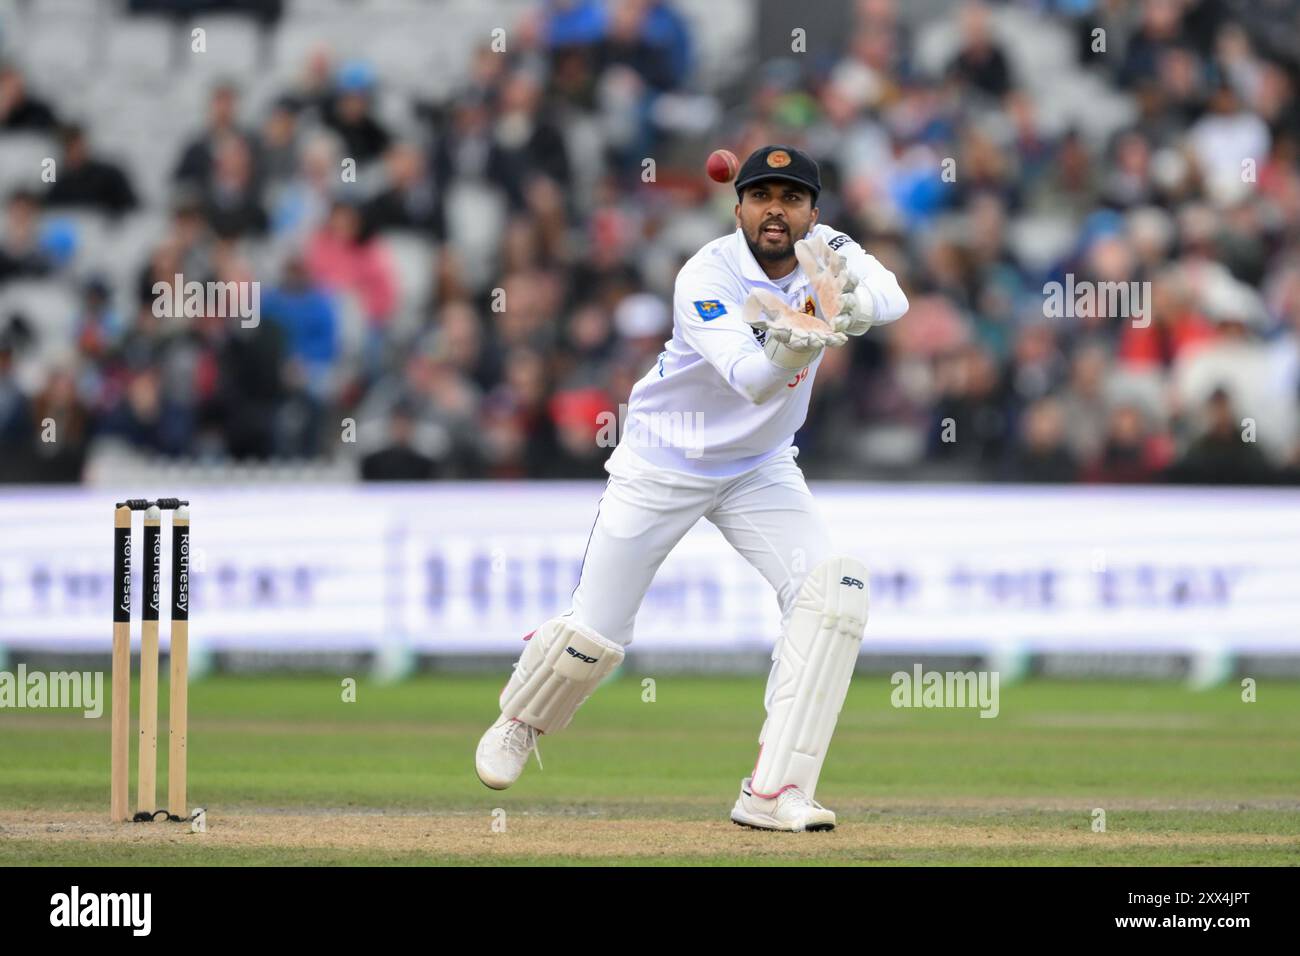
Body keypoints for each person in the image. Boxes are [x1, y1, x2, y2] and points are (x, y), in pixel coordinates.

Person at [474, 145, 909, 831]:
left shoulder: (828, 247)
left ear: (812, 212)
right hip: (664, 460)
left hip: (760, 465)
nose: (776, 210)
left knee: (834, 595)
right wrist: (801, 337)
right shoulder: (706, 274)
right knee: (596, 634)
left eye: (791, 198)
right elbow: (751, 378)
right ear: (737, 207)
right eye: (762, 196)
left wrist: (849, 299)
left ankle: (774, 793)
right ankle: (521, 720)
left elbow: (893, 298)